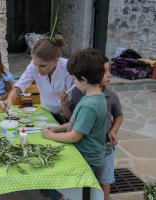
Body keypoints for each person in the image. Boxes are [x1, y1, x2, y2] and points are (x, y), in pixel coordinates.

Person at [41, 49, 107, 200]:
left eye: (74, 80)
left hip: (86, 159)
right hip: (83, 155)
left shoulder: (90, 104)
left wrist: (50, 135)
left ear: (83, 79)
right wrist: (57, 128)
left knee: (48, 184)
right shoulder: (92, 97)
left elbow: (75, 136)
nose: (74, 83)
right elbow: (74, 123)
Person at [60, 56, 123, 200]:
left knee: (104, 179)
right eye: (105, 71)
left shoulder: (110, 96)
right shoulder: (77, 93)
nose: (109, 75)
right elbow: (74, 120)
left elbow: (119, 115)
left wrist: (113, 131)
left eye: (109, 70)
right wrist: (64, 105)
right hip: (91, 145)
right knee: (89, 182)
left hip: (106, 145)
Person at [5, 35, 73, 124]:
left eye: (43, 65)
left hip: (67, 115)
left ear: (56, 60)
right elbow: (19, 85)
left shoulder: (68, 68)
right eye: (35, 64)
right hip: (46, 113)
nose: (37, 69)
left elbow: (72, 100)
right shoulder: (33, 66)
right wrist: (9, 99)